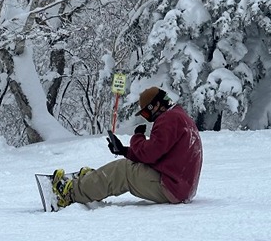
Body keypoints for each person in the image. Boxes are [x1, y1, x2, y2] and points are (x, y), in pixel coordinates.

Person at [51, 87, 203, 209]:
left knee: (122, 170)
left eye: (145, 112)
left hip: (171, 187)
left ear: (156, 105)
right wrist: (124, 151)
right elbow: (157, 155)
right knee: (128, 167)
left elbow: (149, 154)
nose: (146, 117)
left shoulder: (169, 119)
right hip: (178, 185)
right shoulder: (178, 116)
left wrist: (138, 137)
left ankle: (70, 193)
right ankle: (90, 182)